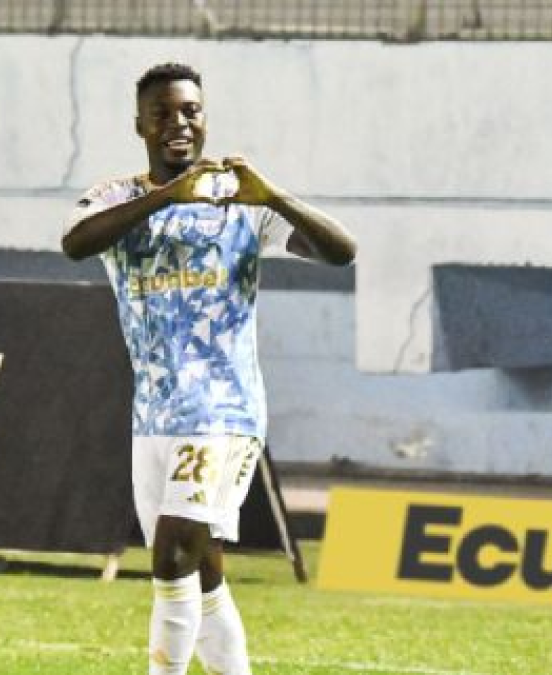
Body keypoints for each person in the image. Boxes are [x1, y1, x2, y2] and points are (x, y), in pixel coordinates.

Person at [62, 62, 356, 675]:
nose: (178, 123)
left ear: (204, 117)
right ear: (138, 124)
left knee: (171, 557)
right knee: (203, 570)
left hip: (224, 411)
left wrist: (271, 195)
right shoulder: (117, 197)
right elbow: (77, 243)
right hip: (155, 417)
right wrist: (172, 192)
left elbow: (341, 251)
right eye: (163, 113)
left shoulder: (241, 203)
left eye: (190, 111)